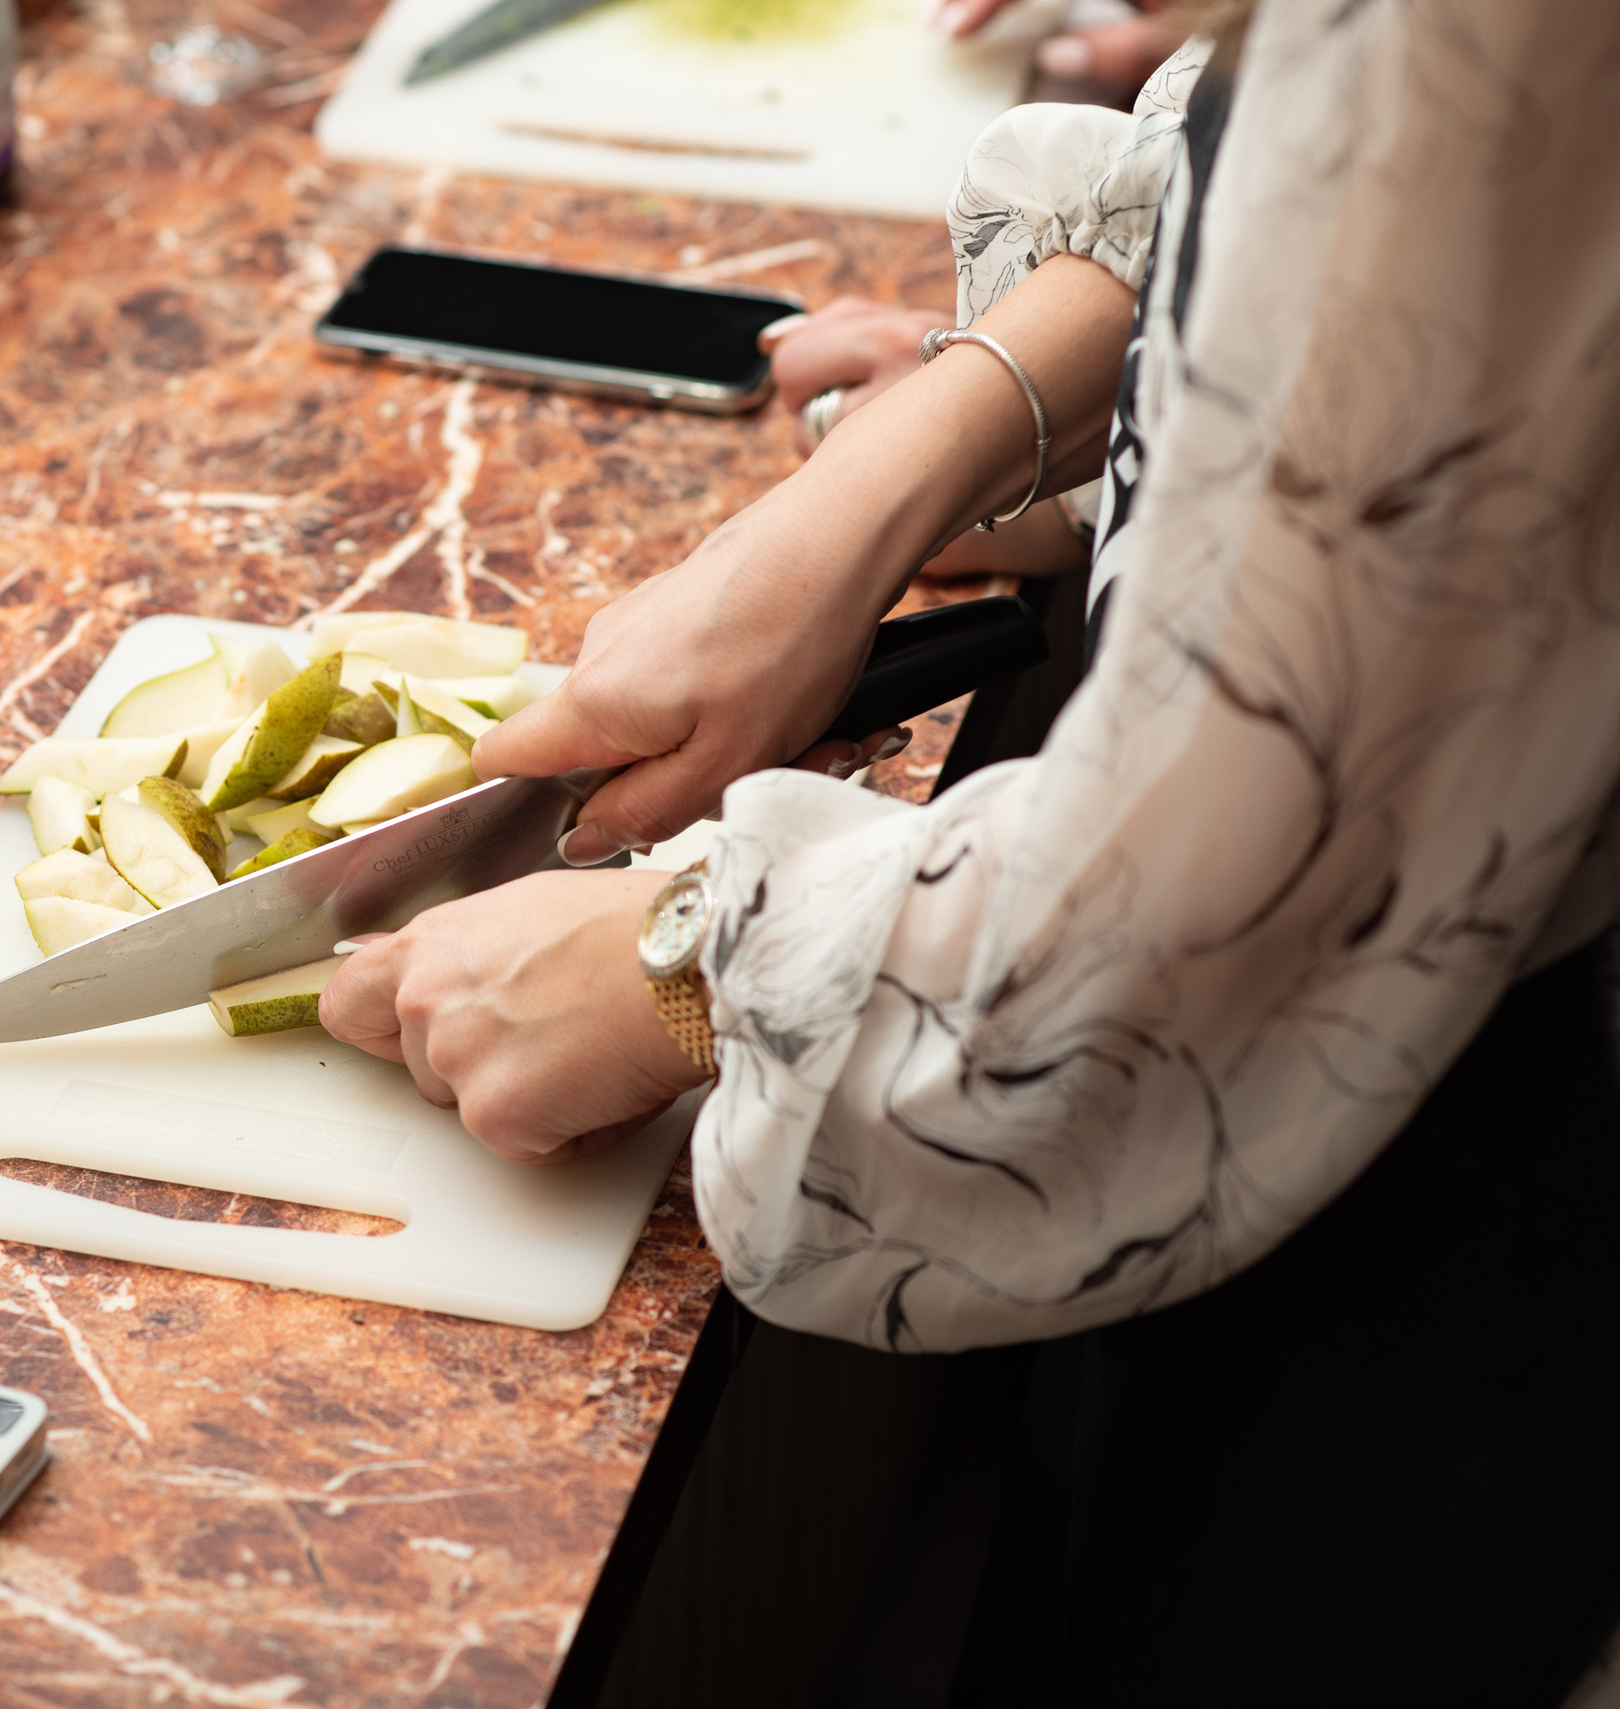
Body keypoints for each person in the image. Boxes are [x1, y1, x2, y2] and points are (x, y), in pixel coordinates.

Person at [321, 0, 1620, 1695]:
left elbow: (1185, 930)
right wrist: (904, 462)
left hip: (1475, 1238)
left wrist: (685, 967)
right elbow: (1369, 218)